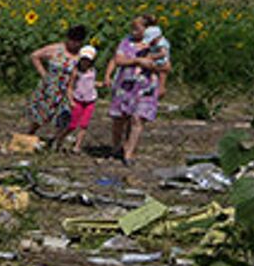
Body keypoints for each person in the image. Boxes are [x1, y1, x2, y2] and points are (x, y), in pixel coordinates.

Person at [107, 20, 170, 164]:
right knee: (119, 119)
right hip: (125, 86)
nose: (134, 30)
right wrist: (137, 61)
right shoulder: (126, 42)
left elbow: (166, 66)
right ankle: (116, 147)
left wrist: (161, 83)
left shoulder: (159, 45)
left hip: (146, 87)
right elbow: (118, 59)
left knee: (138, 118)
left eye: (137, 28)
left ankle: (129, 152)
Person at [25, 25, 87, 139]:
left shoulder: (81, 55)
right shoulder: (56, 49)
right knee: (42, 113)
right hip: (50, 86)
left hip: (68, 89)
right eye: (72, 40)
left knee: (65, 117)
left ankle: (56, 141)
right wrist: (44, 74)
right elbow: (35, 56)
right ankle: (30, 134)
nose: (74, 44)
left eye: (77, 41)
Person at [55, 45, 99, 152]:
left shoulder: (93, 71)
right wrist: (70, 100)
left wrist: (101, 84)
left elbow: (91, 83)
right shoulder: (76, 72)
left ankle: (77, 146)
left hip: (90, 100)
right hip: (78, 99)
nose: (85, 62)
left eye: (88, 60)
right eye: (84, 60)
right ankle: (59, 140)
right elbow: (70, 87)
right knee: (72, 125)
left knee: (84, 124)